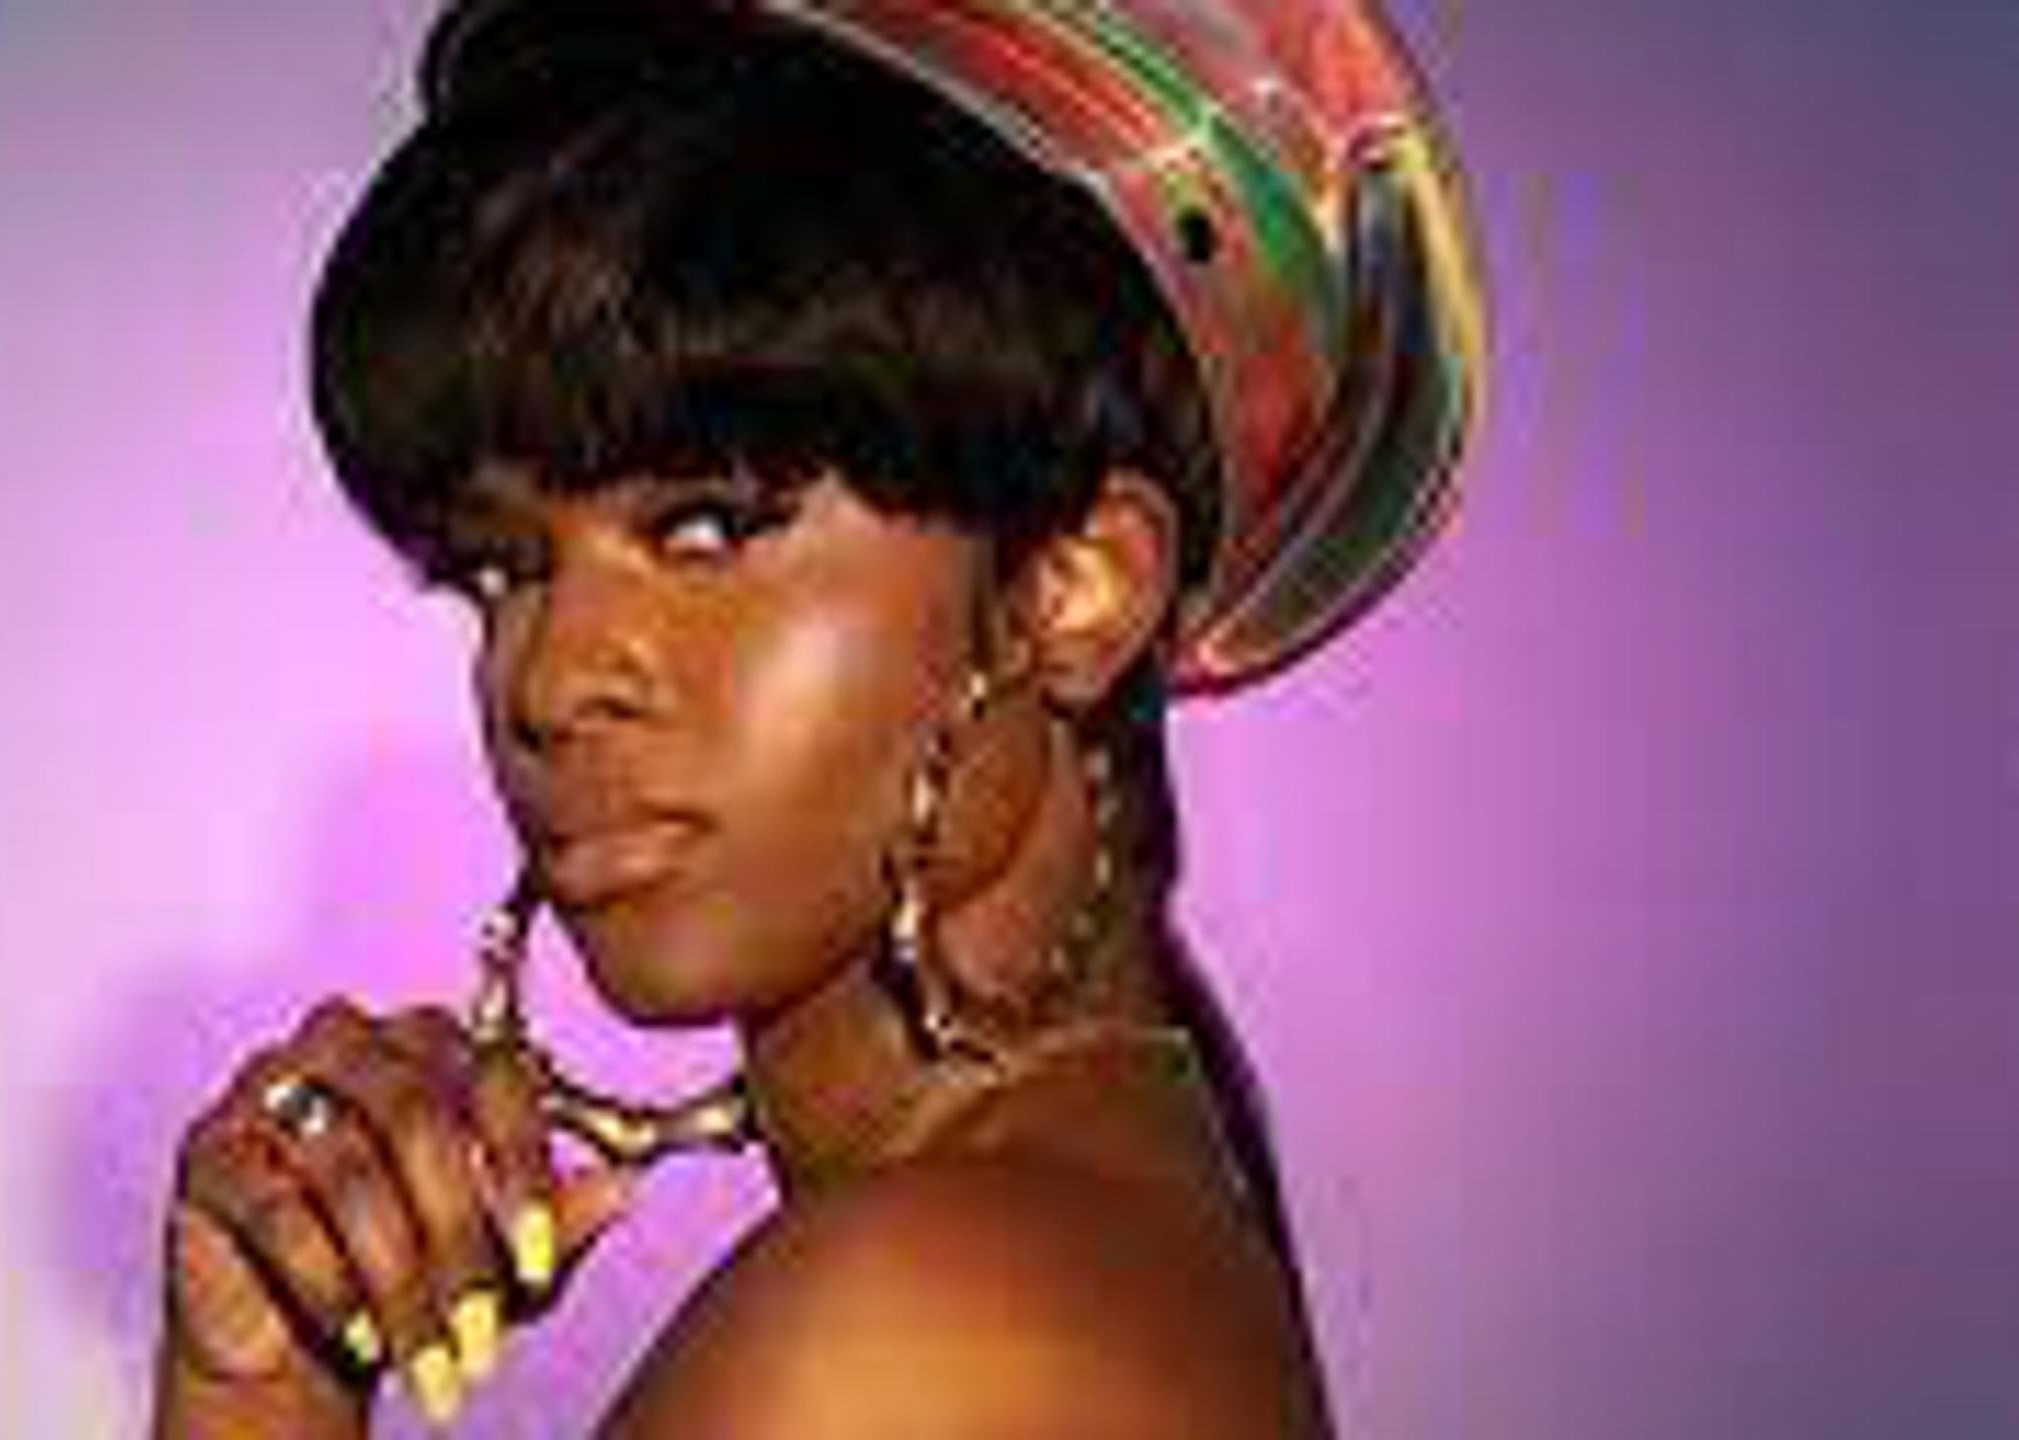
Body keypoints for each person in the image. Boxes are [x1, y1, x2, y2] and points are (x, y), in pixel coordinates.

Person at [153, 0, 1483, 1433]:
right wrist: (262, 1380)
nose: (549, 680)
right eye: (501, 568)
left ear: (1076, 587)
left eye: (708, 528)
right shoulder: (1101, 1236)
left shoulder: (910, 1328)